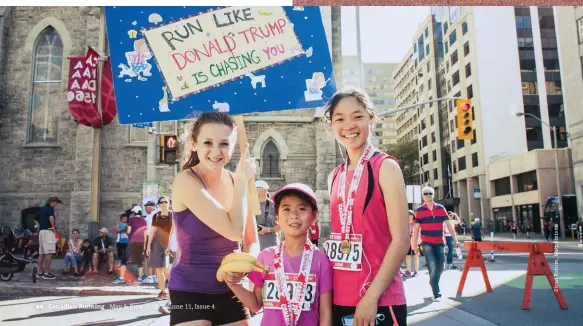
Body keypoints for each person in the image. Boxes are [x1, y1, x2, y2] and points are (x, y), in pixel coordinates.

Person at [325, 89, 410, 325]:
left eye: (357, 116)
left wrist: (371, 297)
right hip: (339, 298)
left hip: (379, 300)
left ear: (371, 119)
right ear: (331, 125)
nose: (349, 125)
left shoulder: (386, 167)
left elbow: (401, 240)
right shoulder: (334, 176)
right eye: (340, 119)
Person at [168, 112, 258, 326]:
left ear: (233, 147)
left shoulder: (238, 181)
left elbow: (251, 241)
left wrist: (244, 267)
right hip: (189, 290)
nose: (216, 152)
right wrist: (243, 182)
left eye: (224, 144)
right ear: (193, 144)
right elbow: (234, 231)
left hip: (229, 289)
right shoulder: (185, 181)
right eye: (208, 142)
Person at [227, 183, 333, 325]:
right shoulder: (265, 257)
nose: (294, 216)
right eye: (286, 209)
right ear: (277, 217)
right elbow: (255, 304)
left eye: (302, 209)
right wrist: (235, 284)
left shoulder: (321, 260)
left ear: (314, 216)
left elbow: (325, 311)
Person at [413, 186, 460, 300]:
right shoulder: (419, 211)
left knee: (441, 267)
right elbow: (416, 229)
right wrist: (415, 245)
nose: (428, 195)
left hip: (439, 242)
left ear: (433, 195)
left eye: (430, 193)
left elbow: (448, 225)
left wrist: (455, 239)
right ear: (422, 196)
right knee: (433, 267)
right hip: (426, 243)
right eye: (425, 193)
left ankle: (433, 281)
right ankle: (436, 291)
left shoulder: (440, 208)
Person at [146, 196, 173, 300]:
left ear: (169, 203)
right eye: (161, 202)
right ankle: (162, 292)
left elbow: (174, 232)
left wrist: (170, 246)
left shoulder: (173, 215)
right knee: (158, 270)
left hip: (168, 245)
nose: (163, 204)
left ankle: (173, 291)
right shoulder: (156, 215)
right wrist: (148, 247)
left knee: (167, 270)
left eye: (165, 202)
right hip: (156, 245)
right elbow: (152, 232)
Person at [33, 196, 62, 280]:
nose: (56, 204)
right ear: (52, 202)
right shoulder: (50, 208)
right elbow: (51, 217)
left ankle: (40, 272)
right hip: (48, 232)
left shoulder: (41, 208)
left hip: (41, 232)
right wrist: (53, 227)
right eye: (56, 203)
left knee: (41, 253)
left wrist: (39, 226)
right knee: (49, 253)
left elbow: (35, 219)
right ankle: (47, 273)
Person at [255, 180, 279, 251]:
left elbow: (281, 227)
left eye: (260, 189)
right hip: (253, 245)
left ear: (265, 190)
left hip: (270, 245)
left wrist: (268, 230)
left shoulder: (274, 205)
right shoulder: (248, 204)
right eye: (257, 189)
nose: (258, 191)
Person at [127, 205, 147, 282]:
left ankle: (127, 276)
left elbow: (128, 231)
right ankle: (140, 277)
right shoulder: (144, 221)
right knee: (140, 260)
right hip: (142, 242)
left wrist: (128, 234)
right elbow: (145, 233)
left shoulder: (131, 220)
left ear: (134, 212)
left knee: (127, 259)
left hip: (133, 241)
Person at [143, 201, 158, 284]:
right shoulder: (157, 214)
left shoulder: (151, 216)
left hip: (151, 237)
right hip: (157, 238)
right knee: (155, 258)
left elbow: (148, 230)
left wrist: (146, 243)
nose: (145, 209)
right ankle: (155, 277)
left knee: (149, 256)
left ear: (150, 207)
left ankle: (150, 277)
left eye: (146, 207)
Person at [114, 213, 130, 284]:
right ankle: (120, 261)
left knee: (125, 253)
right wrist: (123, 229)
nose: (125, 220)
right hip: (119, 241)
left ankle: (124, 262)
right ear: (121, 219)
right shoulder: (118, 224)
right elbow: (117, 231)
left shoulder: (128, 224)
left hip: (126, 241)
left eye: (126, 219)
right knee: (120, 252)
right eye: (123, 219)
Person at [402, 210, 419, 277]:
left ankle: (416, 271)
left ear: (413, 216)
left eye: (411, 215)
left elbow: (419, 232)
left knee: (415, 256)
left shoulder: (416, 223)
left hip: (414, 241)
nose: (409, 216)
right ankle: (408, 270)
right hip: (407, 241)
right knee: (407, 256)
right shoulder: (404, 223)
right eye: (408, 215)